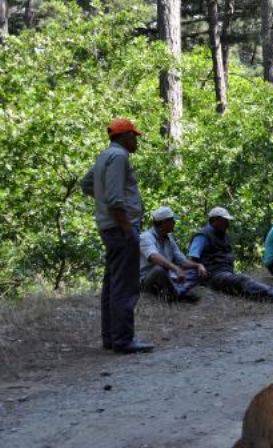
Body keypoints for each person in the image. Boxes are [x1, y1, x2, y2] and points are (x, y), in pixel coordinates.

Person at [80, 118, 153, 354]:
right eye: (134, 136)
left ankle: (111, 337)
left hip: (109, 227)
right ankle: (123, 339)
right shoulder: (120, 157)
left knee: (112, 282)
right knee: (125, 285)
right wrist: (127, 228)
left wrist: (103, 203)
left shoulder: (104, 156)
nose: (136, 140)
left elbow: (87, 184)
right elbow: (114, 199)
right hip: (121, 228)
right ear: (124, 137)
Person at [188, 207, 273, 304]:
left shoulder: (222, 235)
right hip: (213, 275)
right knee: (242, 280)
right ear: (215, 220)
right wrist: (199, 266)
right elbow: (191, 259)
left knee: (244, 286)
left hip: (224, 273)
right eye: (225, 221)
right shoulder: (202, 236)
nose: (228, 224)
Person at [139, 206, 207, 302]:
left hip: (168, 277)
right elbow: (154, 256)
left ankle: (174, 291)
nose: (174, 223)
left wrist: (198, 265)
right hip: (148, 280)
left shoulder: (169, 238)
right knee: (159, 270)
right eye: (172, 221)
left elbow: (182, 260)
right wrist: (175, 268)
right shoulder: (145, 237)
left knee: (196, 271)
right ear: (164, 223)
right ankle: (176, 294)